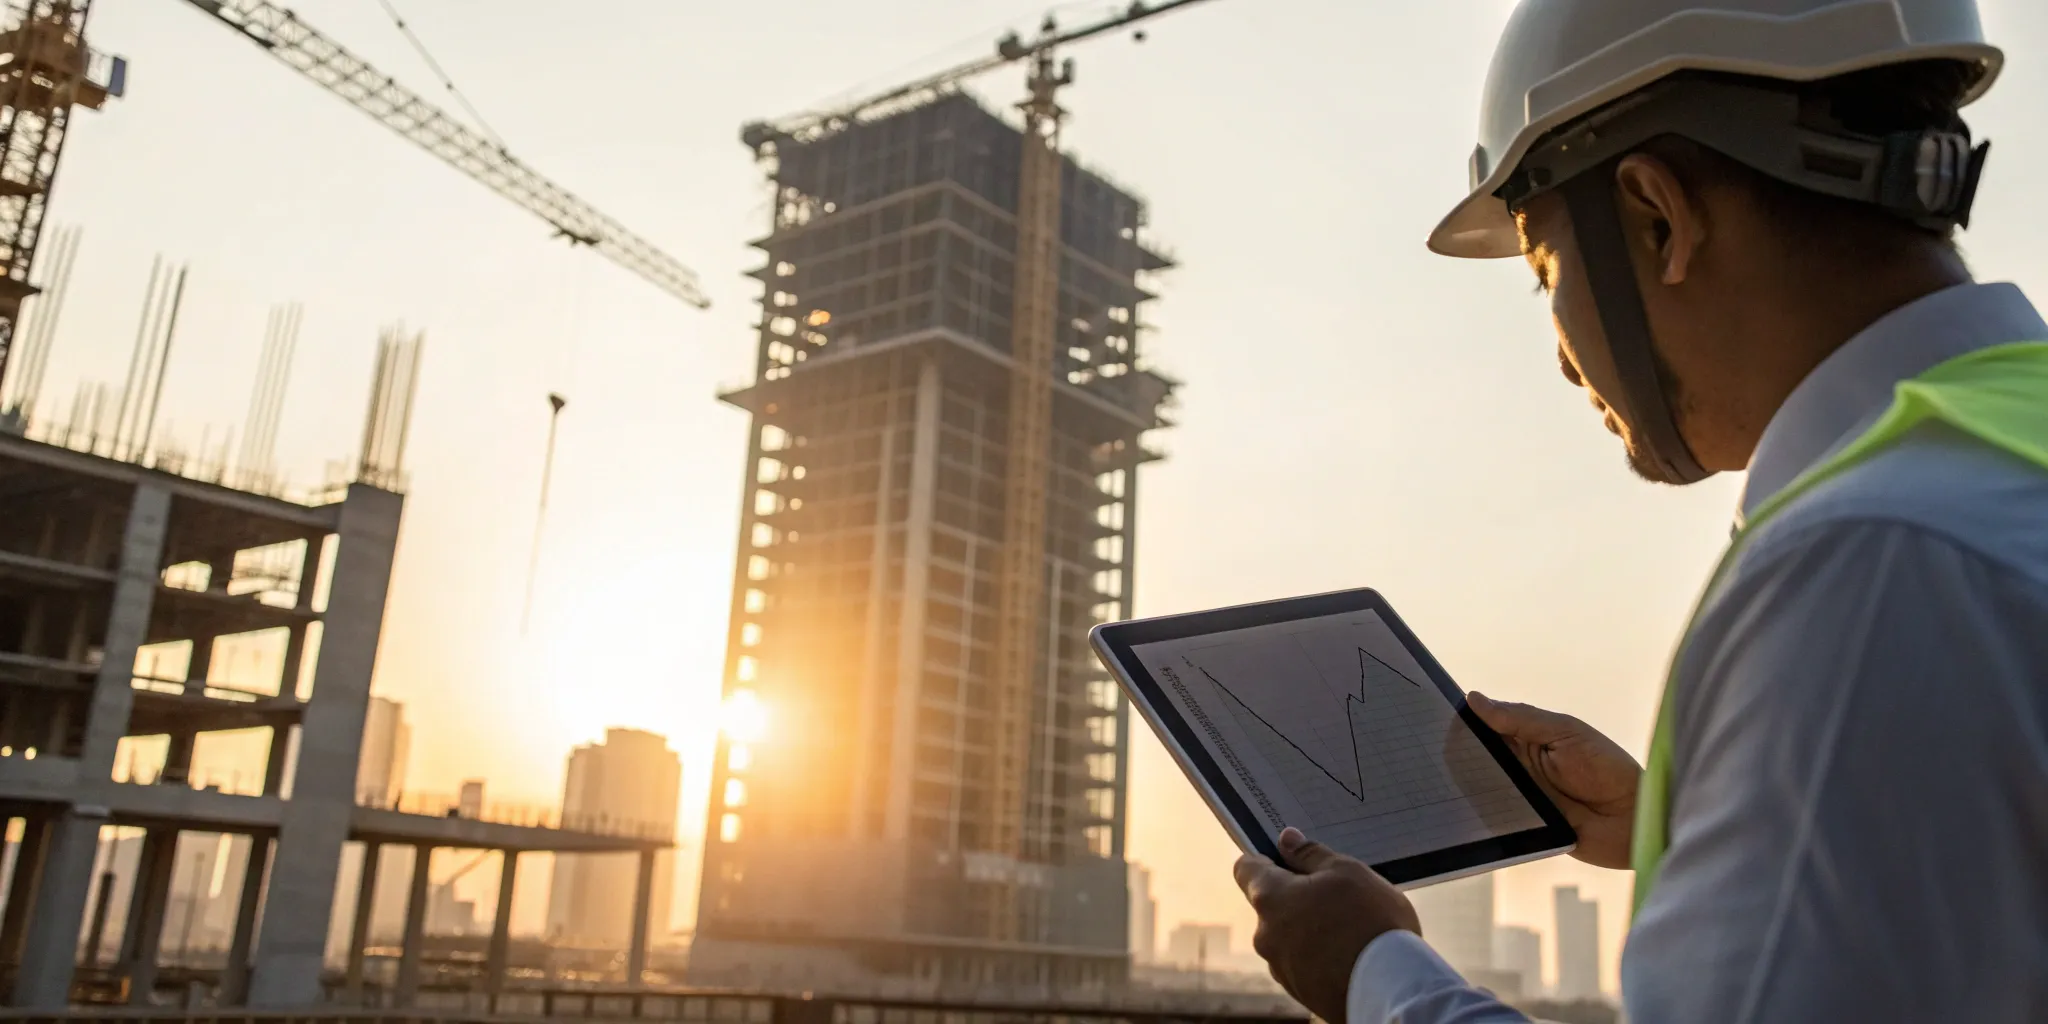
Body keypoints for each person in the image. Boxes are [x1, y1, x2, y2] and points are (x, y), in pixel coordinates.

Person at [1233, 0, 2048, 1020]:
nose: (1563, 356)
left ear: (1657, 215)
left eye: (1543, 273)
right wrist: (1698, 810)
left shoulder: (1867, 565)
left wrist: (1370, 974)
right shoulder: (2006, 448)